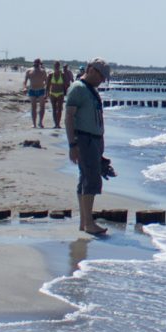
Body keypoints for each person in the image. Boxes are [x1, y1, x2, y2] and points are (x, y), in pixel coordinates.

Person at [64, 59, 112, 236]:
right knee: (90, 179)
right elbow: (69, 117)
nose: (101, 80)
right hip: (85, 139)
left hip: (94, 140)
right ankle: (89, 222)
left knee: (86, 178)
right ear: (91, 70)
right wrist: (72, 144)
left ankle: (84, 222)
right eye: (100, 76)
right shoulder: (78, 88)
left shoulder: (90, 89)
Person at [23, 58, 50, 129]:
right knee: (33, 107)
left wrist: (47, 92)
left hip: (41, 90)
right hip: (32, 90)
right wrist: (25, 87)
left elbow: (47, 82)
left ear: (40, 64)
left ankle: (40, 122)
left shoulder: (43, 71)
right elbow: (25, 81)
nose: (37, 64)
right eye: (36, 62)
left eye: (38, 63)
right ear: (34, 63)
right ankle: (34, 124)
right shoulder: (29, 71)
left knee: (42, 106)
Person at [47, 60, 70, 131]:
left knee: (60, 109)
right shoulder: (50, 75)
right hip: (52, 93)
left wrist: (66, 93)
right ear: (54, 66)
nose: (56, 67)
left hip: (60, 93)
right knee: (54, 109)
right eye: (55, 66)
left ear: (59, 66)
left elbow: (67, 84)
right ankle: (55, 124)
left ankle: (58, 124)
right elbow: (47, 85)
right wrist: (46, 94)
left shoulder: (62, 75)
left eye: (58, 66)